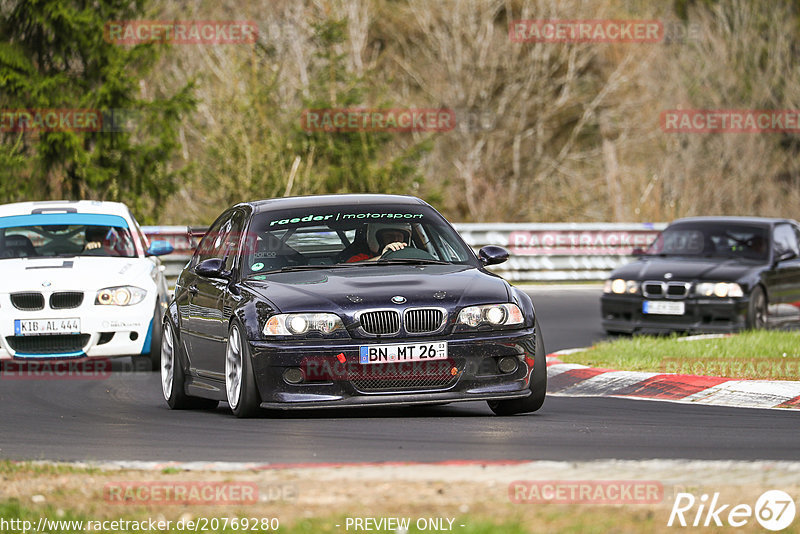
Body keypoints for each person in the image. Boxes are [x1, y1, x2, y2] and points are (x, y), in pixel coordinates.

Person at [346, 224, 412, 262]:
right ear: (378, 238)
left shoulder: (412, 256)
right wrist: (384, 256)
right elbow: (345, 269)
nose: (395, 239)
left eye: (399, 236)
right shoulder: (361, 257)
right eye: (389, 236)